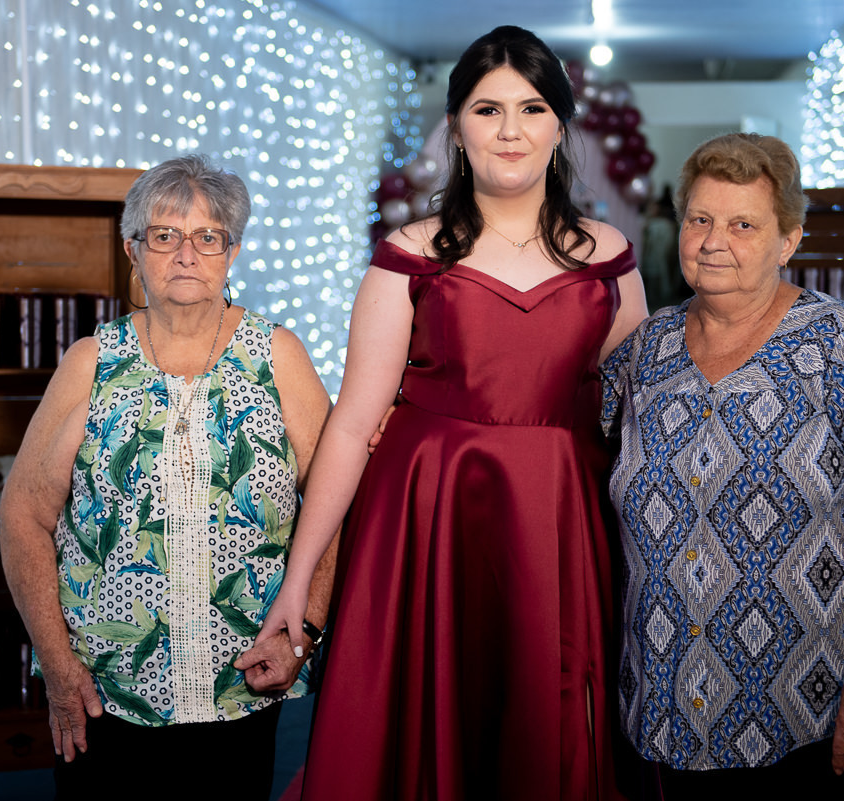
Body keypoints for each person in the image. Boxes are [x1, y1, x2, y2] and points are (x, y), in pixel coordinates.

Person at [260, 25, 647, 801]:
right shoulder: (409, 253)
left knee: (547, 724)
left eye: (532, 109)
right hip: (429, 517)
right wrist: (296, 583)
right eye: (487, 109)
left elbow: (641, 411)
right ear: (457, 127)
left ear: (560, 126)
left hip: (561, 520)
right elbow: (352, 424)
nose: (511, 130)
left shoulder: (607, 255)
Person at [601, 133, 844, 798]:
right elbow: (566, 447)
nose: (712, 242)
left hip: (794, 720)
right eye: (700, 219)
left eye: (743, 225)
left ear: (788, 241)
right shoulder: (644, 351)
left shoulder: (840, 346)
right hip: (657, 711)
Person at [0, 154, 337, 796]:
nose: (187, 254)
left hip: (245, 682)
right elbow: (22, 517)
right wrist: (58, 666)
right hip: (104, 694)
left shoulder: (278, 356)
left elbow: (333, 504)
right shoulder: (91, 362)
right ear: (133, 250)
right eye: (165, 235)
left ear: (231, 253)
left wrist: (304, 634)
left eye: (208, 237)